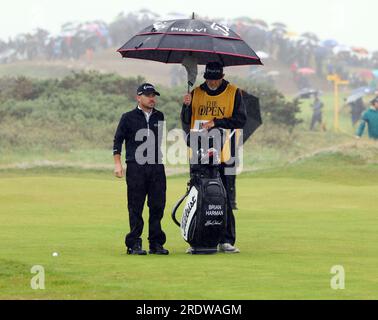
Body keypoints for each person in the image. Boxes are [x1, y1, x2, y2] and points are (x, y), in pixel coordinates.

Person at [181, 62, 247, 254]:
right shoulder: (194, 92)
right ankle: (196, 238)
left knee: (224, 196)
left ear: (222, 76)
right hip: (197, 151)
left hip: (225, 151)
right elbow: (186, 121)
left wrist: (216, 122)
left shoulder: (234, 92)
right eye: (209, 79)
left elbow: (240, 120)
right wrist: (186, 106)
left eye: (215, 79)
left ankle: (226, 240)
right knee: (197, 195)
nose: (211, 82)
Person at [113, 83, 169, 255]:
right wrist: (118, 163)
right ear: (138, 97)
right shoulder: (127, 117)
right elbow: (117, 141)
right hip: (136, 166)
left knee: (158, 205)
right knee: (135, 206)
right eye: (148, 95)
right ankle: (134, 243)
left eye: (154, 95)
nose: (152, 98)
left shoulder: (159, 116)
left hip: (156, 166)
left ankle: (156, 243)